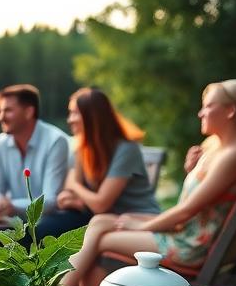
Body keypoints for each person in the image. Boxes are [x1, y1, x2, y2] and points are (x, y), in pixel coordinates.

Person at [62, 79, 236, 286]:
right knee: (100, 222)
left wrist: (140, 226)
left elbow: (187, 210)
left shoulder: (233, 155)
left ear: (230, 111)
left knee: (99, 240)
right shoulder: (219, 148)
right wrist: (192, 169)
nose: (201, 112)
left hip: (187, 246)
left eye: (208, 106)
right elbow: (198, 201)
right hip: (186, 233)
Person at [47, 87, 159, 237]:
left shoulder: (126, 150)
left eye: (74, 113)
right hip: (100, 217)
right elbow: (69, 190)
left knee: (49, 230)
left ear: (91, 117)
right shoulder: (82, 147)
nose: (70, 119)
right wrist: (73, 196)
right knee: (45, 227)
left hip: (136, 220)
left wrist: (76, 187)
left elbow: (100, 203)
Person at [0, 84, 69, 226]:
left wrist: (12, 206)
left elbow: (50, 200)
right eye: (0, 111)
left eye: (8, 110)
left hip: (46, 223)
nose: (1, 117)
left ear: (29, 112)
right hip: (10, 221)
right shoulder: (0, 143)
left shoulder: (56, 141)